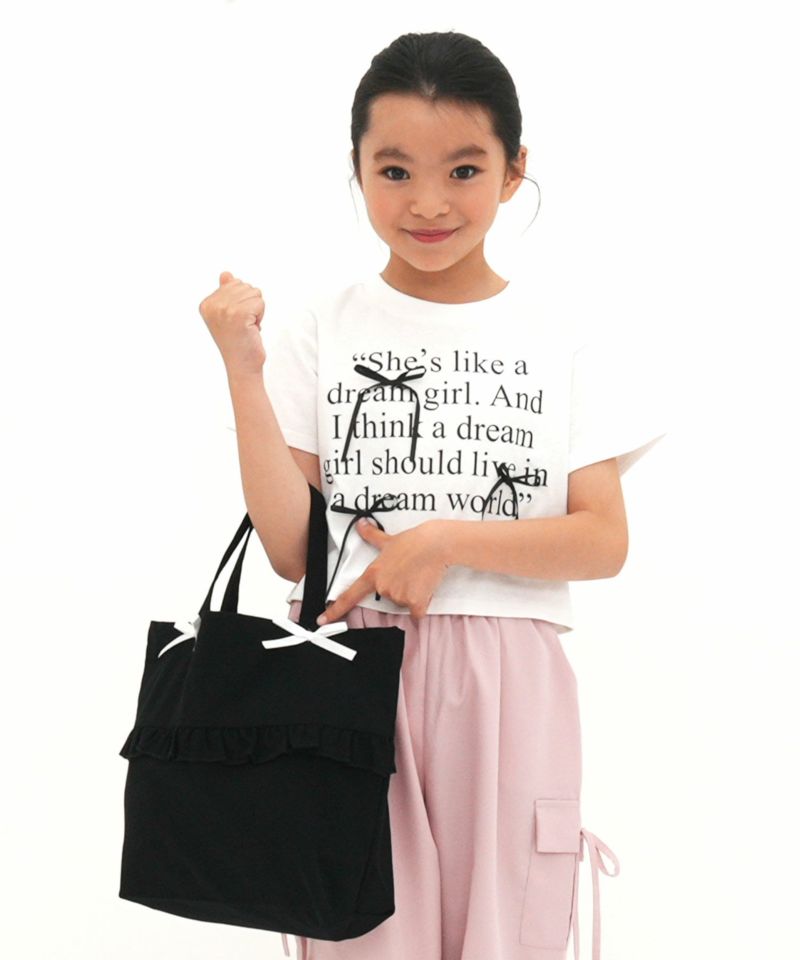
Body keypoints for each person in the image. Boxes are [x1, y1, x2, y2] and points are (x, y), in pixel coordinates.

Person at [201, 30, 667, 960]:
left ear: (513, 170)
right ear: (357, 169)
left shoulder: (564, 332)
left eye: (463, 169)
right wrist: (242, 372)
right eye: (394, 170)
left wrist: (442, 542)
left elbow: (602, 540)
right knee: (360, 933)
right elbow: (292, 549)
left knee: (508, 930)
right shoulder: (320, 327)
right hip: (343, 669)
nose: (426, 202)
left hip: (509, 673)